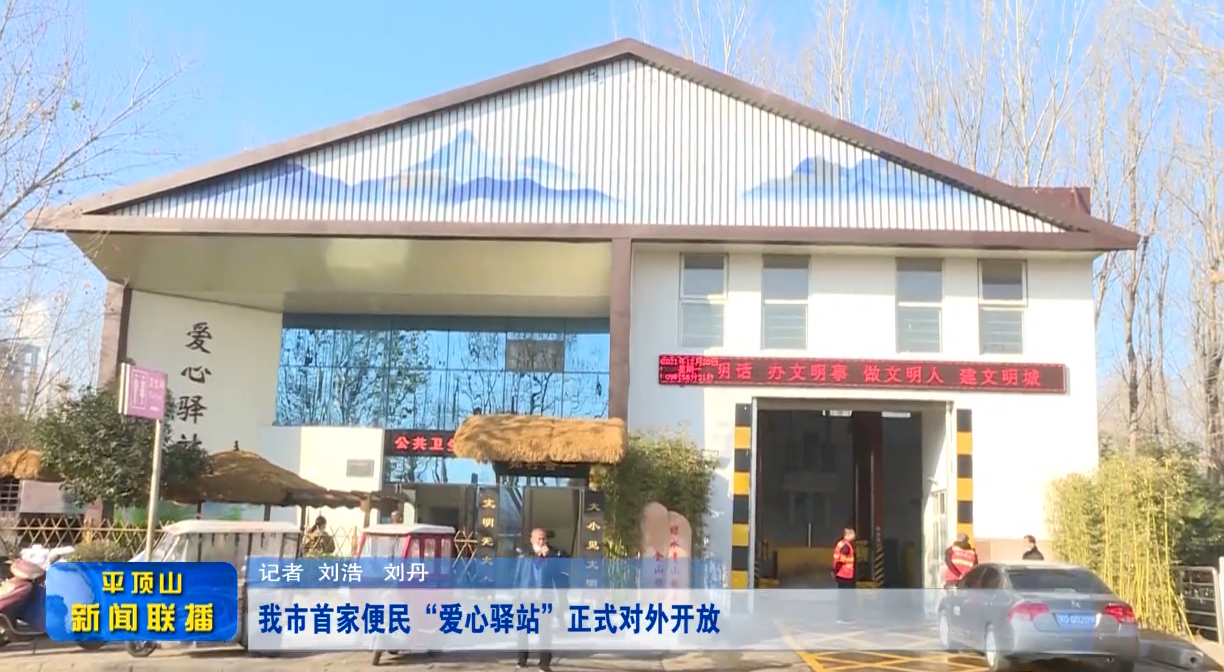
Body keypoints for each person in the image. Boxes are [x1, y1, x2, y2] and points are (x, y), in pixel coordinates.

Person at [515, 528, 570, 671]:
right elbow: (517, 575)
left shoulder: (553, 555)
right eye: (538, 538)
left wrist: (549, 556)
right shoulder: (524, 554)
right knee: (522, 630)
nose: (541, 541)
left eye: (544, 538)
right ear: (532, 540)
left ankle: (544, 663)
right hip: (525, 597)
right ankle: (522, 659)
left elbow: (562, 569)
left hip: (544, 597)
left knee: (545, 631)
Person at [831, 525, 857, 624]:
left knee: (843, 597)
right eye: (853, 533)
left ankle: (842, 617)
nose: (855, 536)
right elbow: (840, 561)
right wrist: (835, 571)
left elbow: (837, 560)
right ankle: (845, 618)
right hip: (845, 576)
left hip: (841, 575)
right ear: (849, 534)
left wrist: (834, 571)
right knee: (846, 598)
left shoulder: (840, 543)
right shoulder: (846, 546)